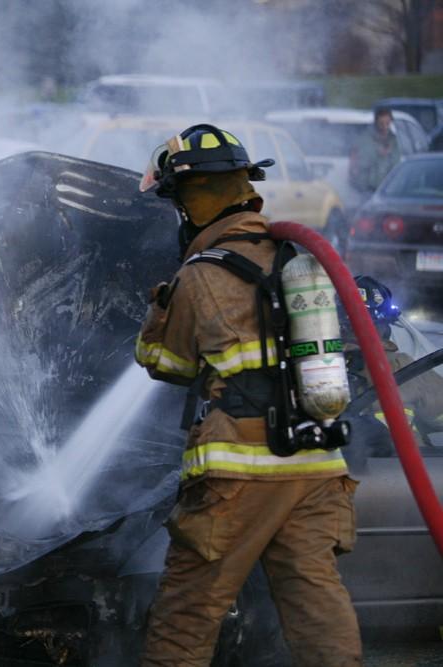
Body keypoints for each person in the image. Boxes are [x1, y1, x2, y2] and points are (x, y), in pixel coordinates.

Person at [134, 124, 361, 666]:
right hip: (315, 463)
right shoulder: (299, 258)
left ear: (190, 204)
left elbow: (168, 364)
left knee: (187, 612)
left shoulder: (201, 273)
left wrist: (159, 310)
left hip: (239, 472)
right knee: (316, 607)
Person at [343, 275, 443, 442]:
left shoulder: (317, 365)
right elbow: (438, 409)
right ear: (384, 324)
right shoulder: (402, 365)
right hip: (404, 461)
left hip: (353, 461)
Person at [348, 106, 402, 194]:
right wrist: (378, 154)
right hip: (366, 188)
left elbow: (396, 164)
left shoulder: (393, 140)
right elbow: (359, 162)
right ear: (376, 122)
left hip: (387, 189)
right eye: (381, 123)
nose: (385, 127)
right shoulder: (365, 139)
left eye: (387, 123)